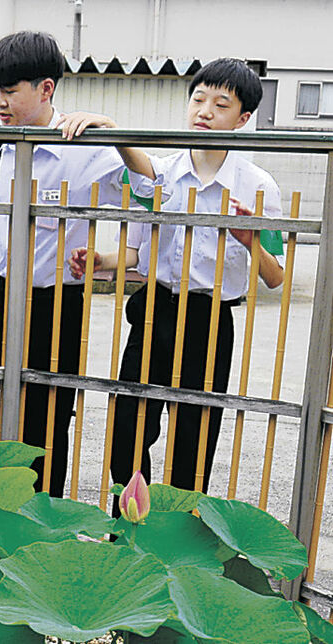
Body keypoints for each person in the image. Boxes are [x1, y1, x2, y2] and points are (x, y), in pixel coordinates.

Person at [64, 58, 284, 496]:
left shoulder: (258, 186)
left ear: (242, 119)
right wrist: (101, 261)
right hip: (153, 312)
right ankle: (127, 525)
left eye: (220, 105)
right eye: (198, 99)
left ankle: (180, 542)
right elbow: (134, 252)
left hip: (209, 321)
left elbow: (276, 275)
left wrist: (247, 238)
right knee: (127, 428)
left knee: (194, 439)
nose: (204, 111)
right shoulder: (162, 175)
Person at [0, 31, 127, 496]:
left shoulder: (89, 148)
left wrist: (115, 131)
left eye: (10, 90)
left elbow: (154, 189)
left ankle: (40, 521)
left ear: (46, 88)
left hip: (57, 303)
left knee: (46, 418)